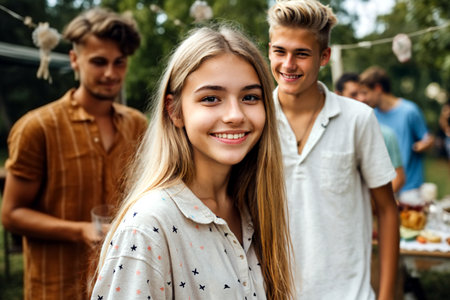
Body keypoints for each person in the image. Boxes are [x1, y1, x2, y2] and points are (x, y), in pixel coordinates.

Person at [90, 25, 293, 300]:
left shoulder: (255, 206)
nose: (235, 115)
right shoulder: (148, 226)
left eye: (250, 97)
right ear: (175, 111)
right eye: (211, 98)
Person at [1, 8, 147, 300]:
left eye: (119, 63)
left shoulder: (138, 125)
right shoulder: (37, 127)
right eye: (99, 62)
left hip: (124, 284)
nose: (110, 73)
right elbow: (11, 214)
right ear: (74, 60)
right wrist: (80, 231)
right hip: (56, 287)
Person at [267, 1, 399, 299]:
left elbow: (388, 211)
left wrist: (387, 295)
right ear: (270, 50)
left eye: (302, 53)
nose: (288, 64)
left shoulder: (358, 119)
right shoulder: (254, 120)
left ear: (324, 56)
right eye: (280, 51)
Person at [359, 66, 435, 206]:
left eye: (365, 92)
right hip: (385, 186)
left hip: (410, 189)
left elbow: (428, 138)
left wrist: (424, 145)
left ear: (378, 88)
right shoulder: (371, 115)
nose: (363, 98)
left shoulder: (409, 111)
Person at [336, 72, 405, 193]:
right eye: (354, 94)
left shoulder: (385, 134)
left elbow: (398, 178)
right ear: (338, 95)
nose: (362, 98)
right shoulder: (330, 135)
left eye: (363, 93)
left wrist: (372, 206)